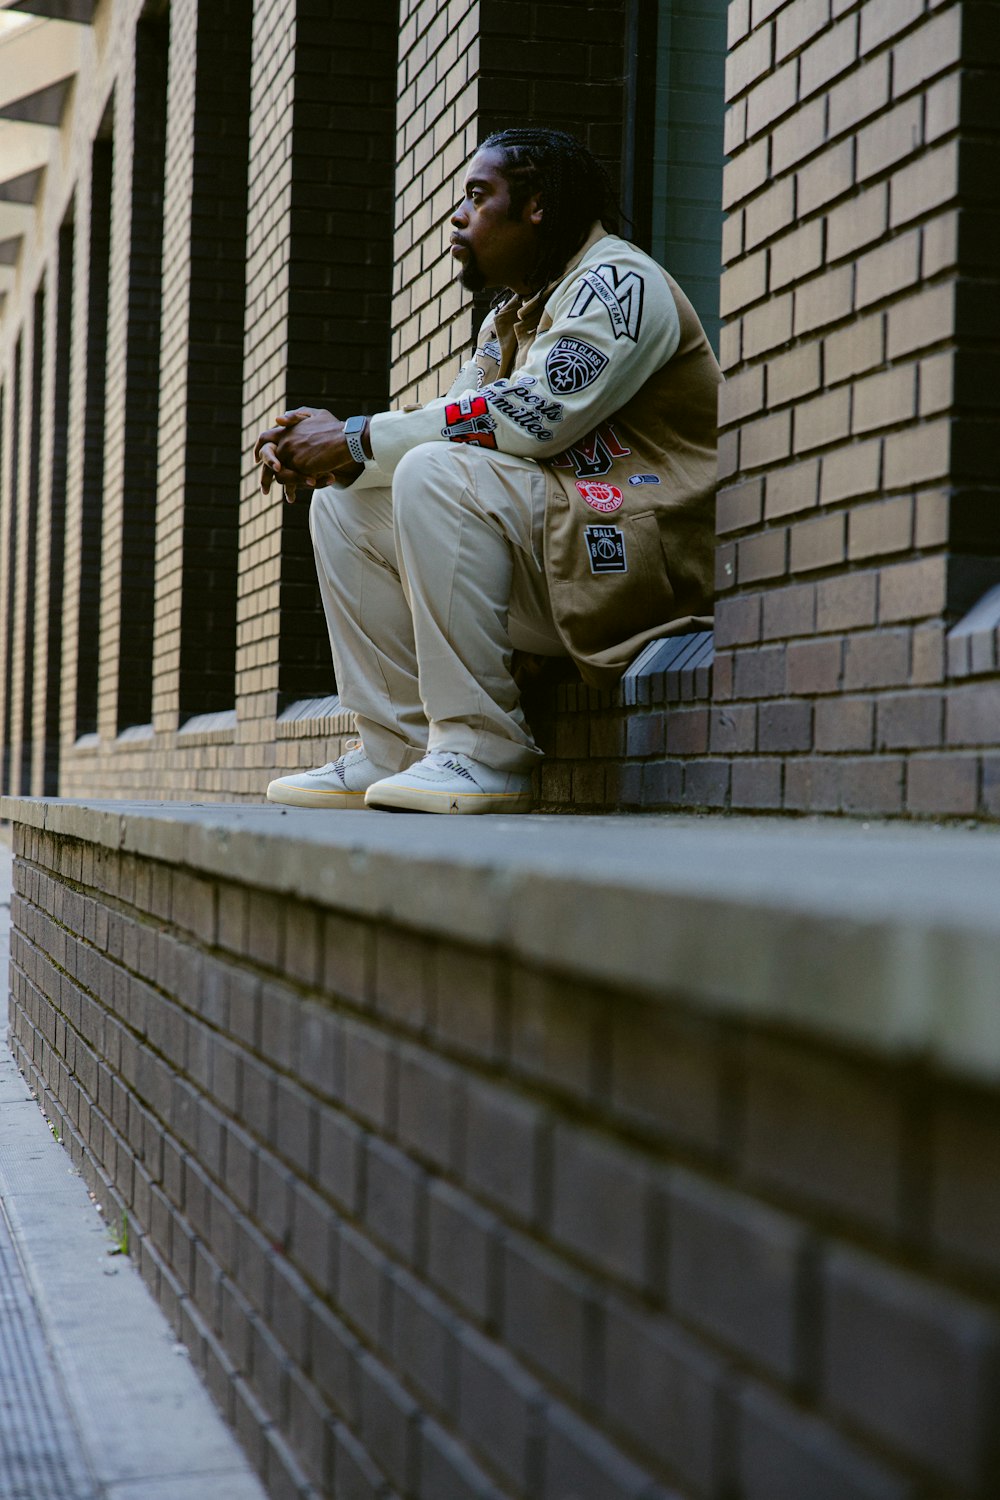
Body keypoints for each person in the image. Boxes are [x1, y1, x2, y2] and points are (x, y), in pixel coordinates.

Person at [257, 128, 720, 815]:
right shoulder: (507, 319)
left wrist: (353, 439)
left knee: (432, 472)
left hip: (646, 565)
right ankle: (398, 748)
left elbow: (533, 417)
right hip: (563, 554)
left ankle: (483, 754)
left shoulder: (620, 282)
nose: (457, 216)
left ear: (535, 205)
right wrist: (334, 457)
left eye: (479, 196)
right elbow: (456, 422)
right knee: (344, 504)